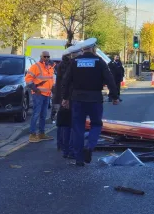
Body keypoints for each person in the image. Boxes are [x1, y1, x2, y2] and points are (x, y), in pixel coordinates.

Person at [61, 38, 119, 167]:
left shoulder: (75, 61)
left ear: (82, 49)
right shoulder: (99, 62)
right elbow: (110, 79)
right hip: (95, 98)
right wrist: (114, 96)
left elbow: (66, 81)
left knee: (78, 128)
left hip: (77, 98)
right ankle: (90, 146)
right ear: (93, 48)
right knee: (96, 125)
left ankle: (79, 159)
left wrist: (65, 98)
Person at [25, 50, 56, 143]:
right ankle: (32, 134)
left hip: (47, 95)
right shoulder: (35, 66)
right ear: (41, 57)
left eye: (48, 56)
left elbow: (51, 81)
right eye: (44, 56)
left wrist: (52, 91)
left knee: (43, 115)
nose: (46, 58)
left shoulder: (50, 67)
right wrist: (35, 89)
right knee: (36, 114)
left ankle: (41, 133)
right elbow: (28, 79)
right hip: (38, 94)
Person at [53, 50, 75, 157]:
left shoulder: (61, 65)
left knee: (62, 123)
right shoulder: (71, 65)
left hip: (61, 97)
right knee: (69, 124)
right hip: (68, 97)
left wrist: (57, 100)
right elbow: (67, 84)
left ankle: (61, 145)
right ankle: (68, 149)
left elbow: (58, 84)